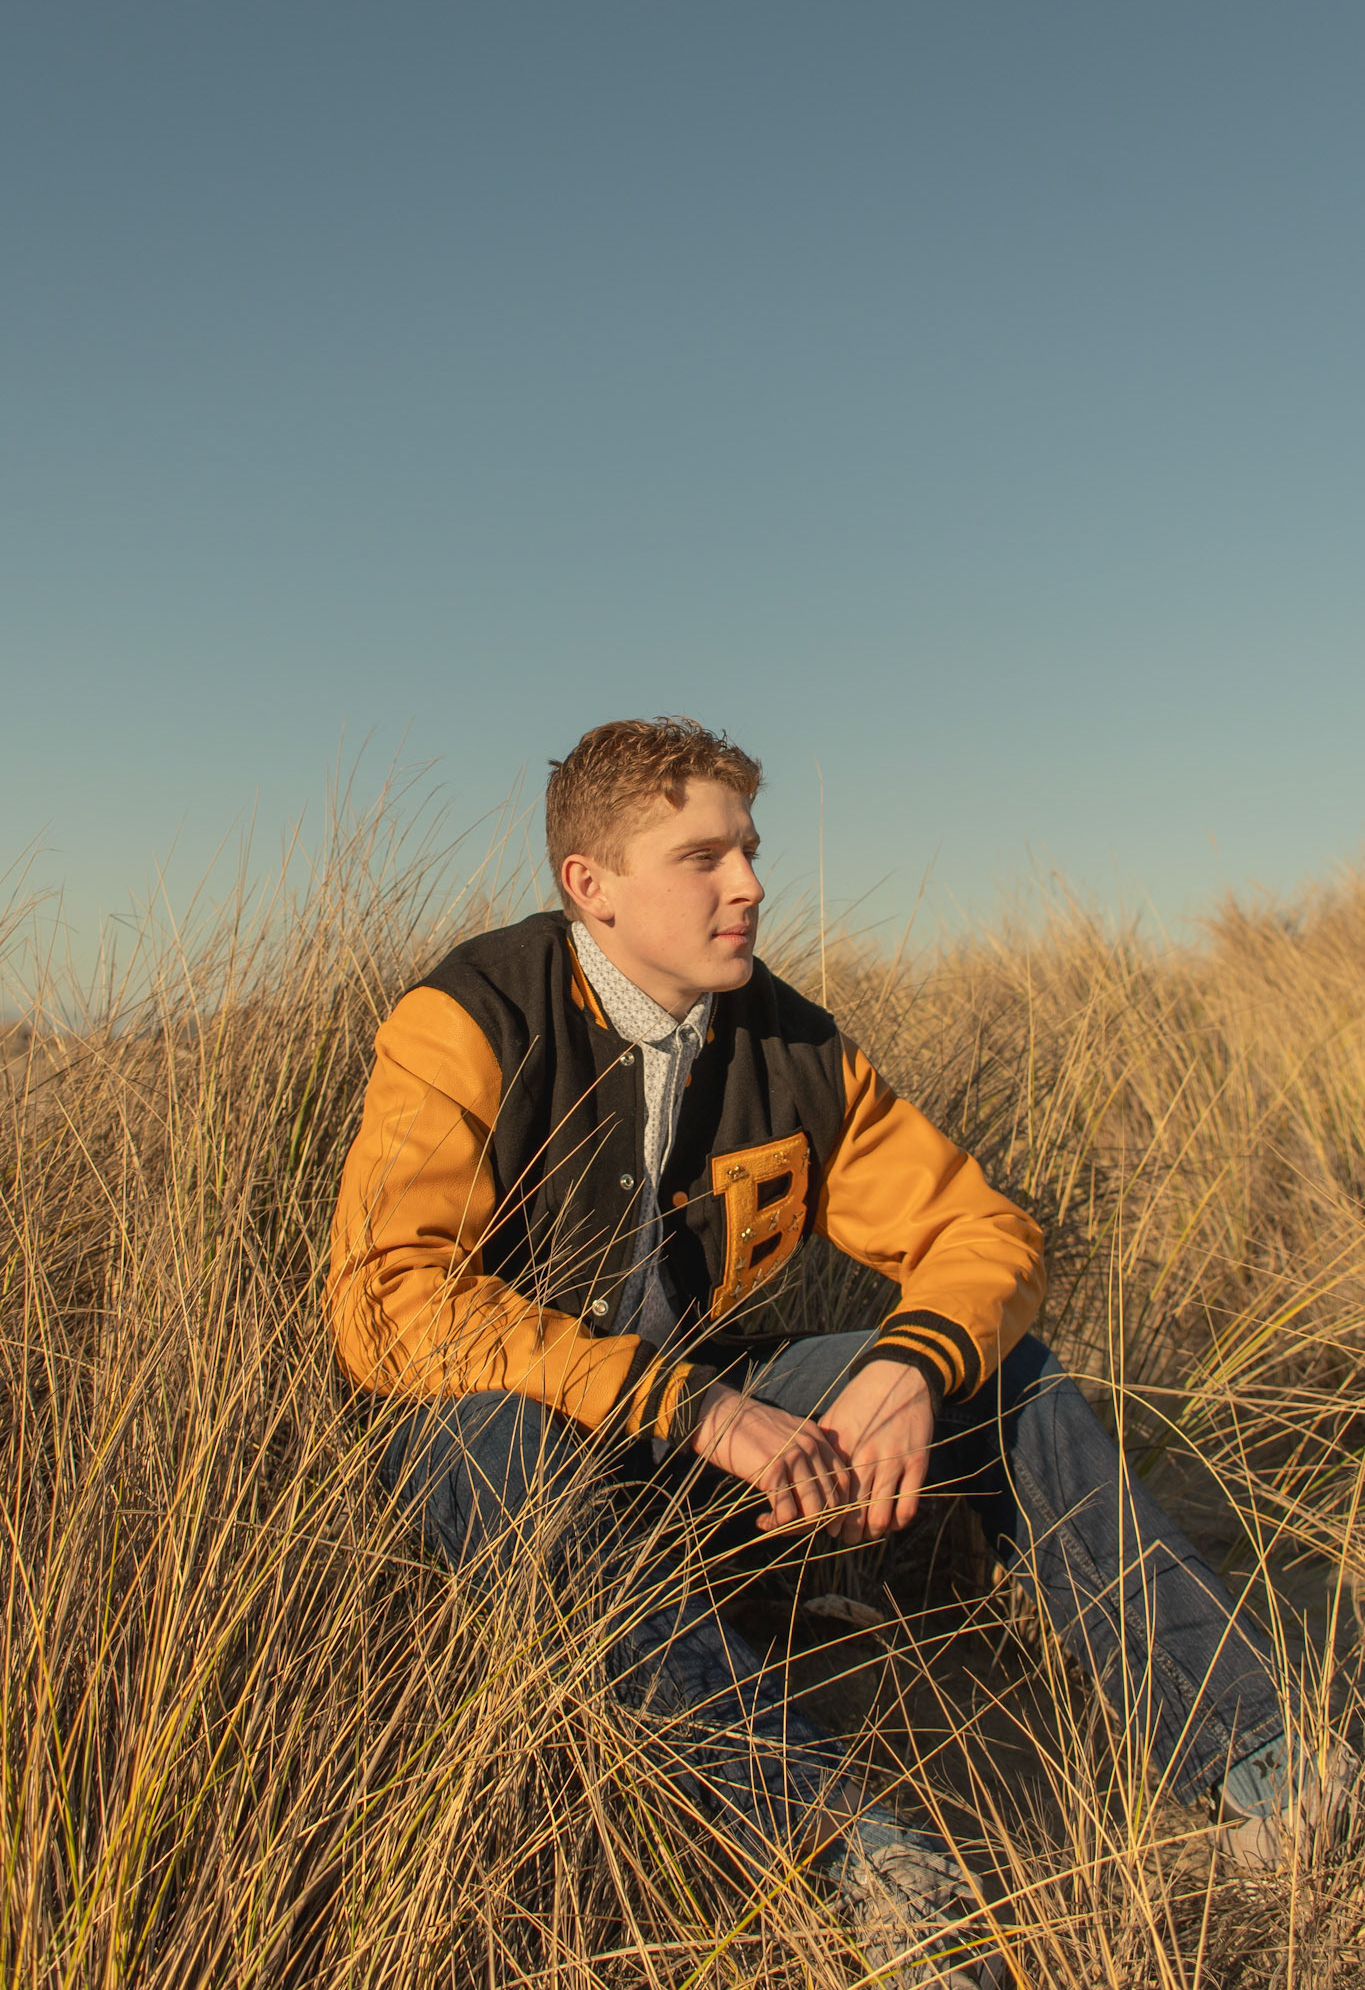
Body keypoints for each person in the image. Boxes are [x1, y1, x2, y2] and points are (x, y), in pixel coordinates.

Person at [328, 717, 1350, 1986]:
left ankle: (1259, 1762)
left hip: (720, 1448)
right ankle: (852, 1849)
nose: (749, 884)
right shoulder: (469, 1016)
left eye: (749, 849)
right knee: (474, 1431)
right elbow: (387, 1301)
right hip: (539, 1445)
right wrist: (690, 1405)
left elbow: (983, 1230)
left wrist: (910, 1366)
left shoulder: (793, 1042)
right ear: (591, 883)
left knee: (1005, 1375)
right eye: (703, 857)